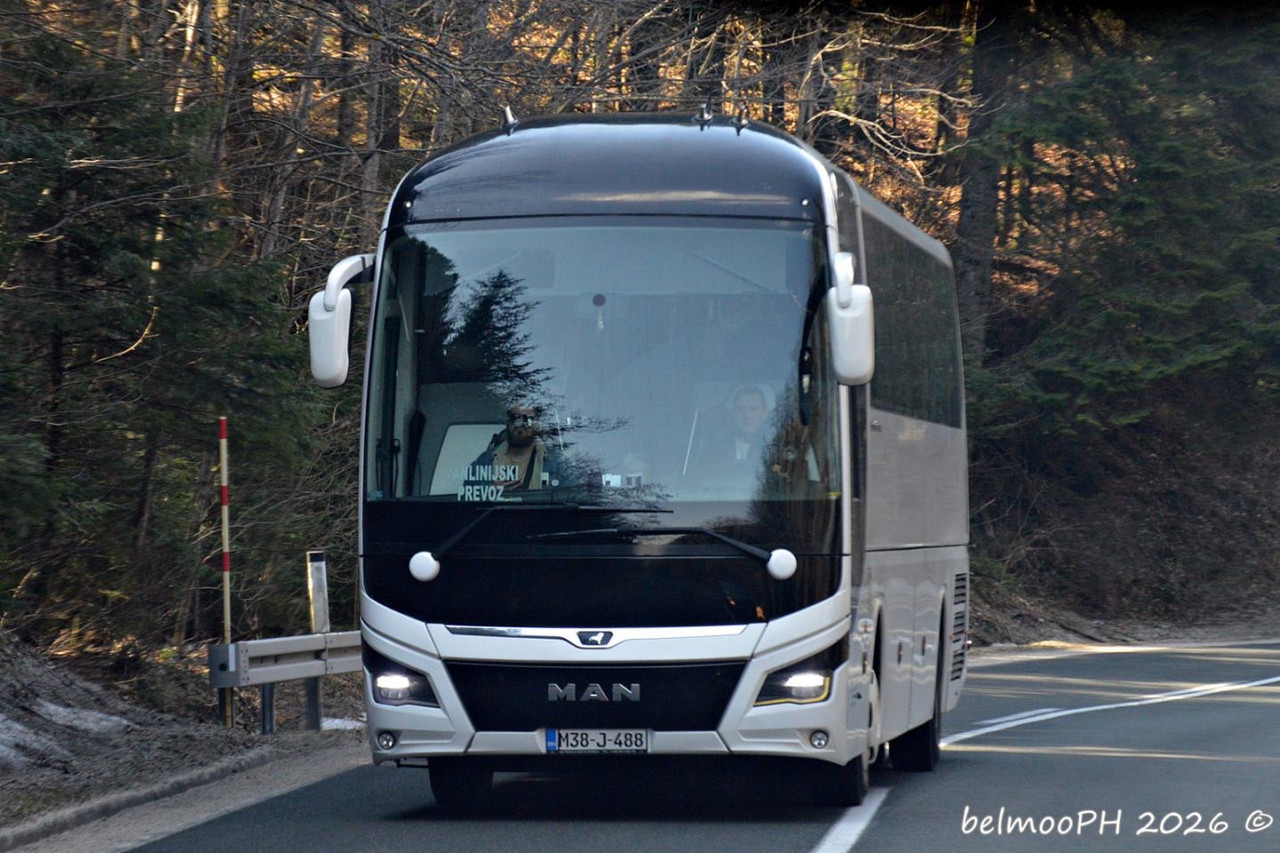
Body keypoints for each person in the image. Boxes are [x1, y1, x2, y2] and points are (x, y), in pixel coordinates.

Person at [462, 405, 556, 498]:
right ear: (508, 422)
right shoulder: (485, 461)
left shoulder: (554, 462)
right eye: (515, 418)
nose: (520, 424)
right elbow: (465, 498)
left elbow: (563, 499)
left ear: (537, 424)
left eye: (527, 419)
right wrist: (490, 491)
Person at [690, 384, 773, 473]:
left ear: (765, 414)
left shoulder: (774, 449)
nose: (746, 415)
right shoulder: (714, 448)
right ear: (732, 414)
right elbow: (700, 475)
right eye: (740, 409)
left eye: (754, 409)